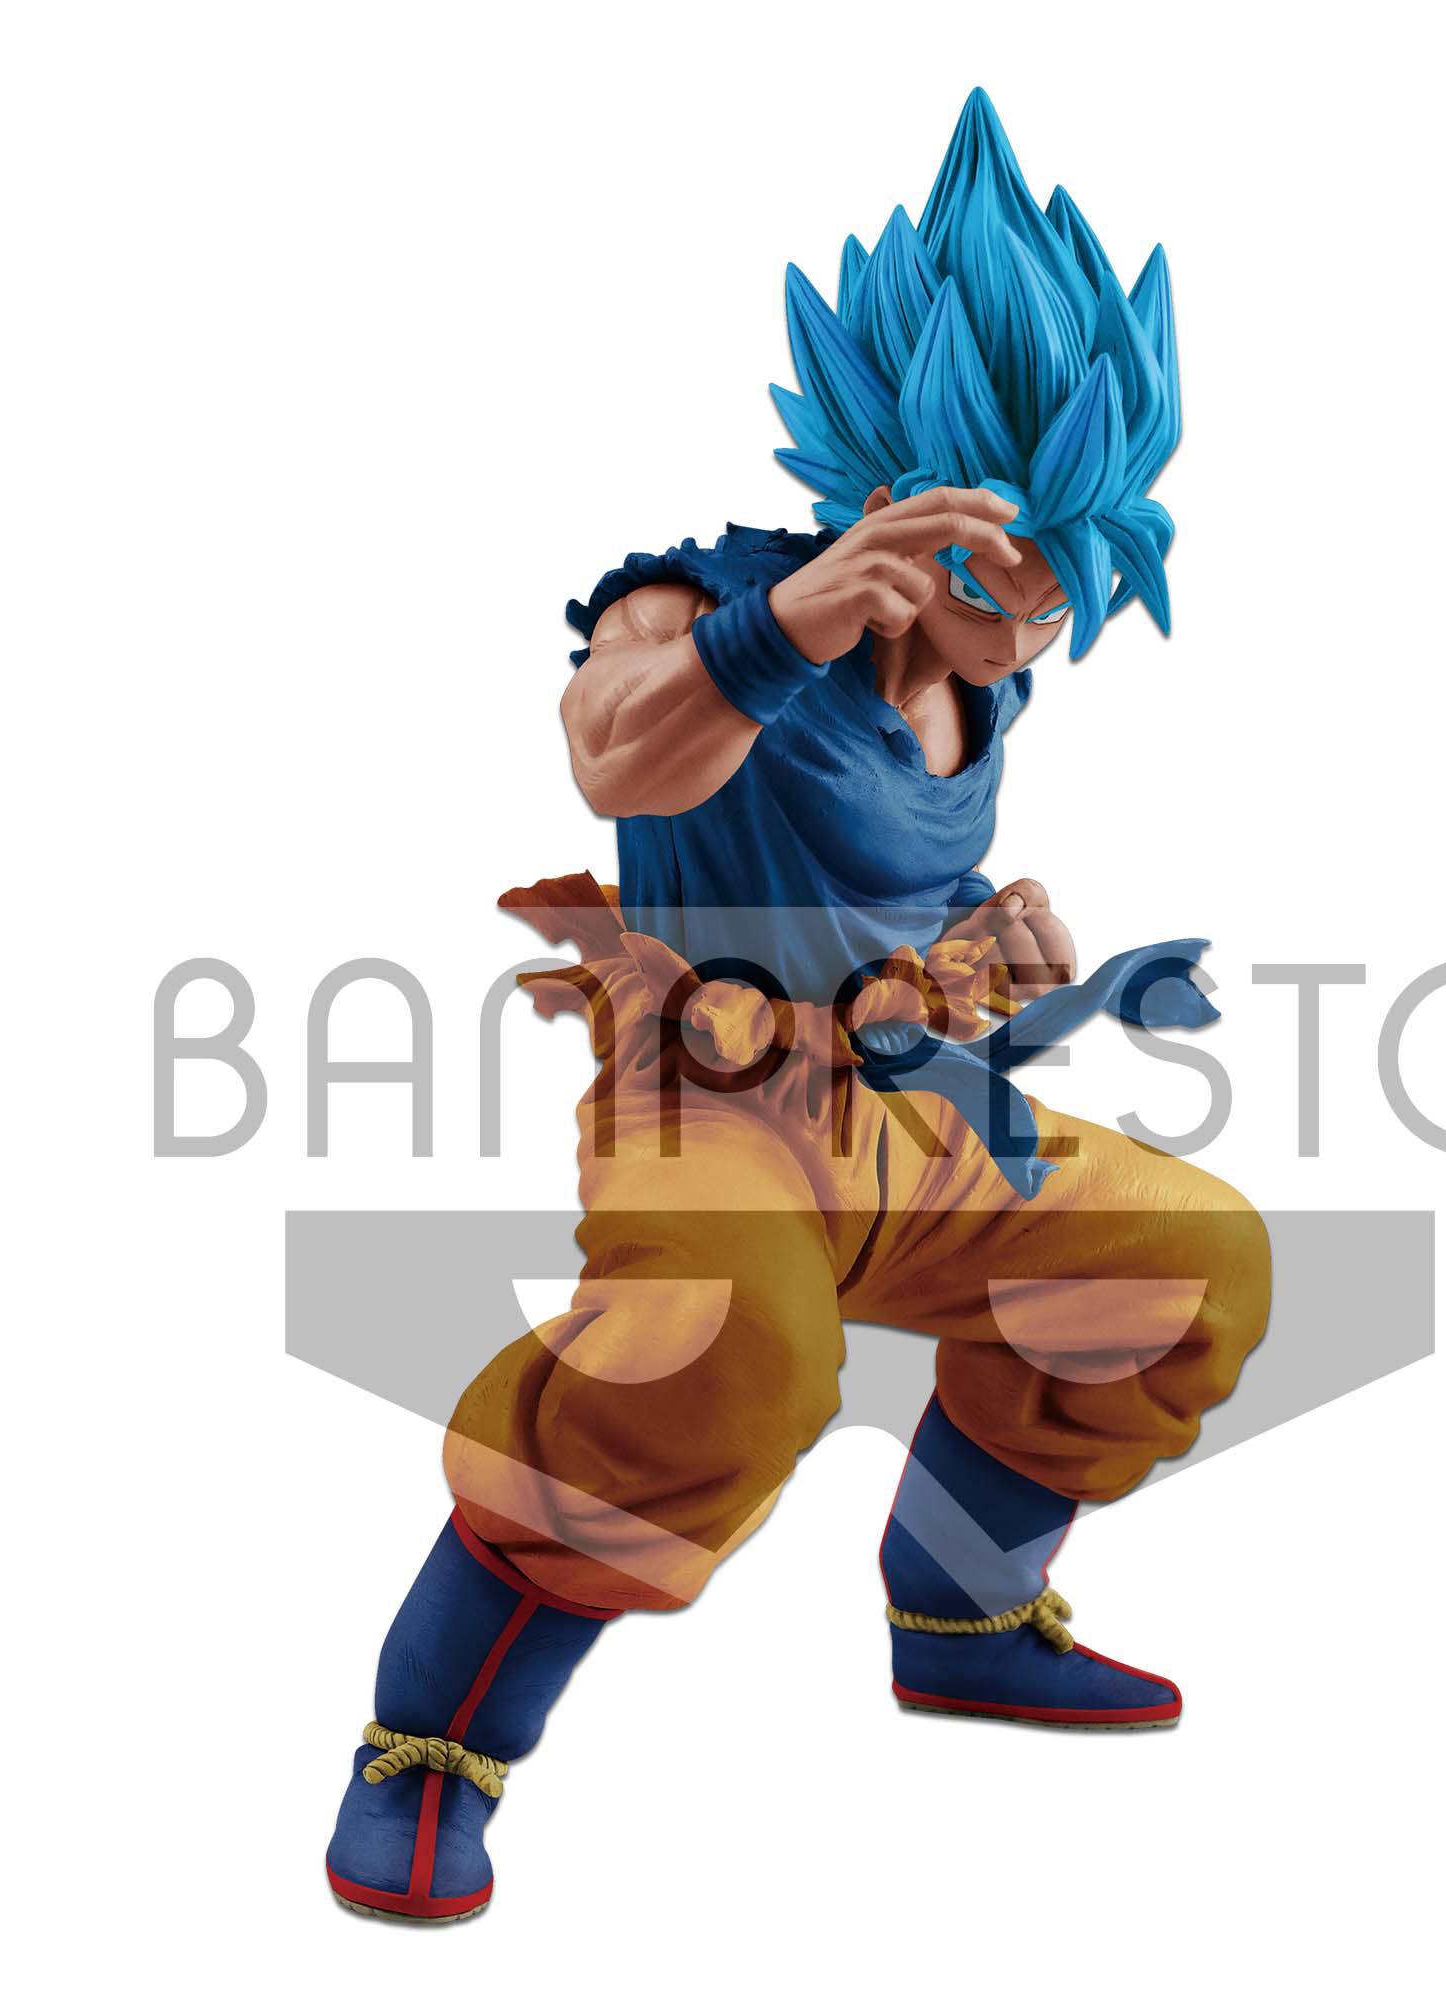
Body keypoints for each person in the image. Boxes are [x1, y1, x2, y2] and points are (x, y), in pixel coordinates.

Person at [326, 87, 1271, 1925]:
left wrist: (992, 926)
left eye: (1068, 586)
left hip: (906, 1106)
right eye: (1009, 575)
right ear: (901, 489)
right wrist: (788, 628)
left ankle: (965, 1616)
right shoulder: (704, 602)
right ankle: (432, 1741)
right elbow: (618, 760)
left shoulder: (987, 670)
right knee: (717, 1364)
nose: (1040, 624)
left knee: (1187, 1264)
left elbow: (876, 865)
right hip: (707, 1113)